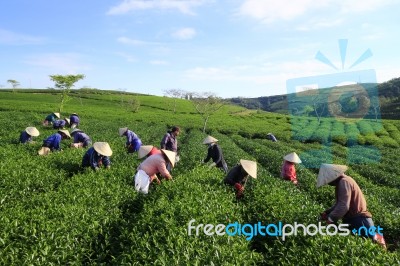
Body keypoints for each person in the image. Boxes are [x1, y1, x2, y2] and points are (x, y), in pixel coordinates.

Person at [317, 164, 386, 248]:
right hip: (357, 219)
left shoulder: (344, 182)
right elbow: (339, 204)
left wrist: (330, 219)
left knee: (375, 245)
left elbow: (343, 206)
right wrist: (327, 212)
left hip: (360, 221)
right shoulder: (346, 180)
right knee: (365, 245)